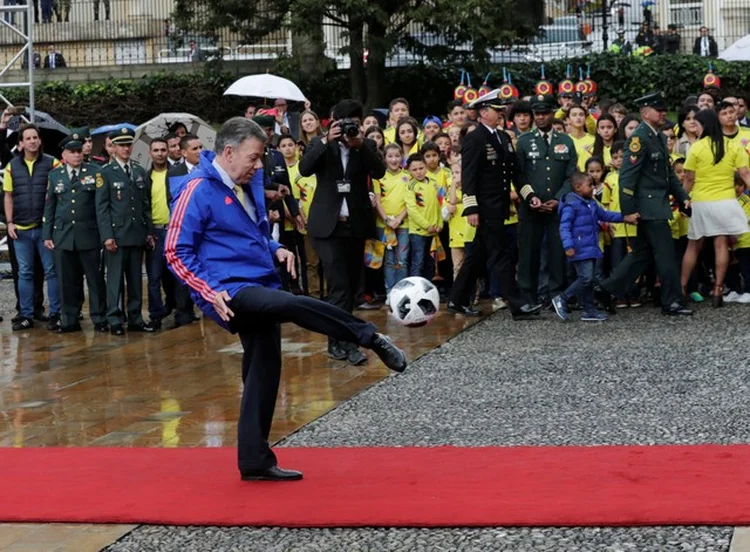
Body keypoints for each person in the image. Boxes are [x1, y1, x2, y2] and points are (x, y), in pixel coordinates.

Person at [165, 117, 406, 481]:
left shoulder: (243, 183)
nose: (259, 165)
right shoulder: (197, 188)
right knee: (292, 305)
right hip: (229, 291)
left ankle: (254, 459)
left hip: (257, 280)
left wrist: (276, 247)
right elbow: (175, 251)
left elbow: (252, 233)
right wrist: (209, 291)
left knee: (264, 368)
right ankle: (369, 336)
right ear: (228, 152)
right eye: (254, 157)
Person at [299, 99, 387, 366]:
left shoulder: (365, 146)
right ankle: (342, 343)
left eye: (355, 124)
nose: (349, 128)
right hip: (327, 226)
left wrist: (360, 144)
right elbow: (304, 169)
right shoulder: (319, 144)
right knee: (339, 286)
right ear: (332, 121)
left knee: (350, 286)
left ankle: (341, 341)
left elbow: (380, 171)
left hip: (354, 225)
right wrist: (327, 140)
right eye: (344, 124)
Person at [448, 90, 542, 320]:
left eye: (500, 109)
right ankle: (518, 305)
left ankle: (456, 299)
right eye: (495, 109)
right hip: (485, 208)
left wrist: (529, 196)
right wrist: (471, 208)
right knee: (500, 256)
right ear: (482, 112)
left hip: (499, 207)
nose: (500, 113)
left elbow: (515, 173)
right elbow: (468, 177)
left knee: (477, 256)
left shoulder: (502, 137)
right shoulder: (474, 138)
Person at [599, 92, 693, 315]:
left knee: (641, 255)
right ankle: (671, 302)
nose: (663, 114)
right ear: (645, 113)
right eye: (658, 110)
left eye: (663, 110)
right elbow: (627, 178)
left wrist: (683, 197)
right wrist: (628, 211)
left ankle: (603, 290)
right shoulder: (639, 139)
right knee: (665, 254)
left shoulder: (658, 137)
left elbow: (667, 174)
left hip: (657, 204)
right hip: (648, 207)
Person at [680, 109, 750, 307]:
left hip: (702, 201)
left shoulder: (696, 147)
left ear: (704, 126)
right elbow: (745, 173)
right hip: (726, 201)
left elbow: (689, 177)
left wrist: (683, 198)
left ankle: (682, 287)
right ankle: (718, 288)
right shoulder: (733, 145)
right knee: (721, 244)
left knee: (694, 245)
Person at [516, 94, 578, 308]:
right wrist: (531, 197)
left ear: (553, 113)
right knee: (528, 256)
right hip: (531, 208)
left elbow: (571, 175)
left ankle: (556, 296)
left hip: (556, 208)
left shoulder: (566, 141)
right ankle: (528, 298)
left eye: (544, 113)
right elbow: (519, 175)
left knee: (557, 254)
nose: (541, 117)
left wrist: (558, 199)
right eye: (537, 113)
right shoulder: (524, 141)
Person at [42, 133, 108, 333]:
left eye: (79, 151)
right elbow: (50, 207)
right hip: (63, 236)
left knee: (95, 280)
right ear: (64, 154)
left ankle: (99, 318)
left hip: (89, 235)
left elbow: (100, 207)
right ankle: (69, 319)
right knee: (66, 281)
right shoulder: (55, 175)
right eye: (72, 152)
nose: (77, 155)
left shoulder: (95, 172)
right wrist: (47, 234)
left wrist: (104, 235)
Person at [553, 173, 639, 322]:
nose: (593, 188)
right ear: (578, 187)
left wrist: (625, 218)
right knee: (585, 278)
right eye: (589, 185)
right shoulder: (571, 205)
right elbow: (564, 227)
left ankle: (589, 310)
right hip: (579, 247)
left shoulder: (591, 203)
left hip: (590, 246)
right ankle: (562, 298)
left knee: (589, 280)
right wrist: (568, 245)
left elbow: (605, 215)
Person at [96, 127, 157, 335]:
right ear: (113, 148)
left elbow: (145, 204)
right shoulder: (105, 173)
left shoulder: (139, 171)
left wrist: (148, 231)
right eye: (121, 145)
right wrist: (107, 236)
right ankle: (114, 318)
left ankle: (135, 318)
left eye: (128, 145)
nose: (126, 149)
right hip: (116, 234)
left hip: (136, 233)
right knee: (114, 279)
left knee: (135, 279)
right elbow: (102, 208)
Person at [4, 124, 62, 331]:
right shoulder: (12, 166)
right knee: (25, 273)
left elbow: (59, 195)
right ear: (20, 143)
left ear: (40, 140)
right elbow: (8, 196)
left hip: (45, 229)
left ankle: (56, 313)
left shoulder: (53, 163)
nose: (32, 141)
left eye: (35, 137)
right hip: (20, 229)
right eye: (27, 138)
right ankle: (26, 315)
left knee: (52, 271)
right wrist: (10, 223)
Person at [167, 134, 203, 327]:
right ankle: (184, 311)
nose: (199, 152)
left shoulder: (208, 168)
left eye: (200, 147)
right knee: (185, 270)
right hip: (185, 228)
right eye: (194, 149)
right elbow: (172, 201)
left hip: (206, 229)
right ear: (183, 152)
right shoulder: (175, 173)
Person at [602, 141, 641, 307]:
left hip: (635, 227)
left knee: (634, 262)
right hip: (617, 228)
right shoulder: (609, 179)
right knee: (618, 263)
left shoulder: (635, 176)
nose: (619, 160)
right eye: (615, 157)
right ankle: (619, 295)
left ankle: (634, 294)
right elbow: (605, 204)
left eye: (622, 156)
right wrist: (607, 222)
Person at [373, 144, 409, 301]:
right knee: (388, 260)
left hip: (404, 224)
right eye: (390, 156)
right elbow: (378, 201)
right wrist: (387, 219)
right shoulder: (379, 178)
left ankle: (401, 291)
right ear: (385, 158)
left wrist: (399, 218)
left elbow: (410, 202)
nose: (394, 159)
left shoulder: (408, 176)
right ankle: (390, 292)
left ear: (402, 156)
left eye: (397, 155)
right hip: (384, 225)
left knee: (402, 259)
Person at [404, 153, 442, 279]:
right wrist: (426, 225)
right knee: (418, 261)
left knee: (430, 261)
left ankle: (427, 288)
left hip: (433, 231)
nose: (418, 172)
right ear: (409, 171)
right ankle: (415, 290)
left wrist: (439, 224)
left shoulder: (434, 183)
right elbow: (412, 210)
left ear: (425, 167)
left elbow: (439, 204)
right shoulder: (410, 186)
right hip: (418, 232)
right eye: (414, 170)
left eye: (421, 168)